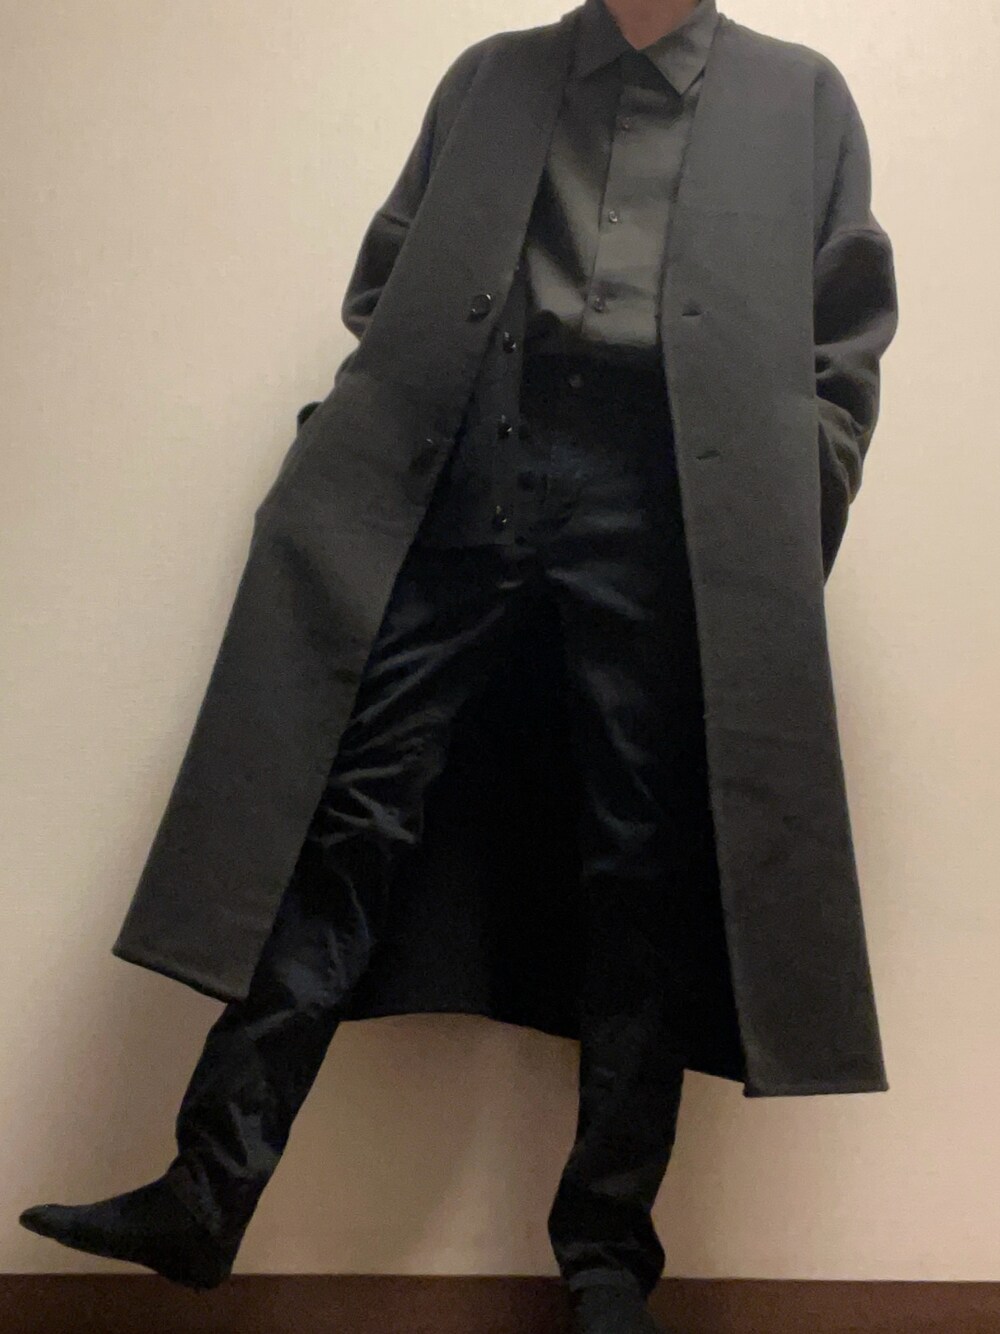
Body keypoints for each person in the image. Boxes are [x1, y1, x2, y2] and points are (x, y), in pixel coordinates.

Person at [19, 1, 898, 1331]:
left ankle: (607, 1255)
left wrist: (789, 502)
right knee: (346, 811)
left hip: (668, 498)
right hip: (472, 463)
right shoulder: (492, 75)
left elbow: (846, 336)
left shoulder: (802, 96)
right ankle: (207, 1188)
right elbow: (393, 279)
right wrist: (378, 424)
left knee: (644, 863)